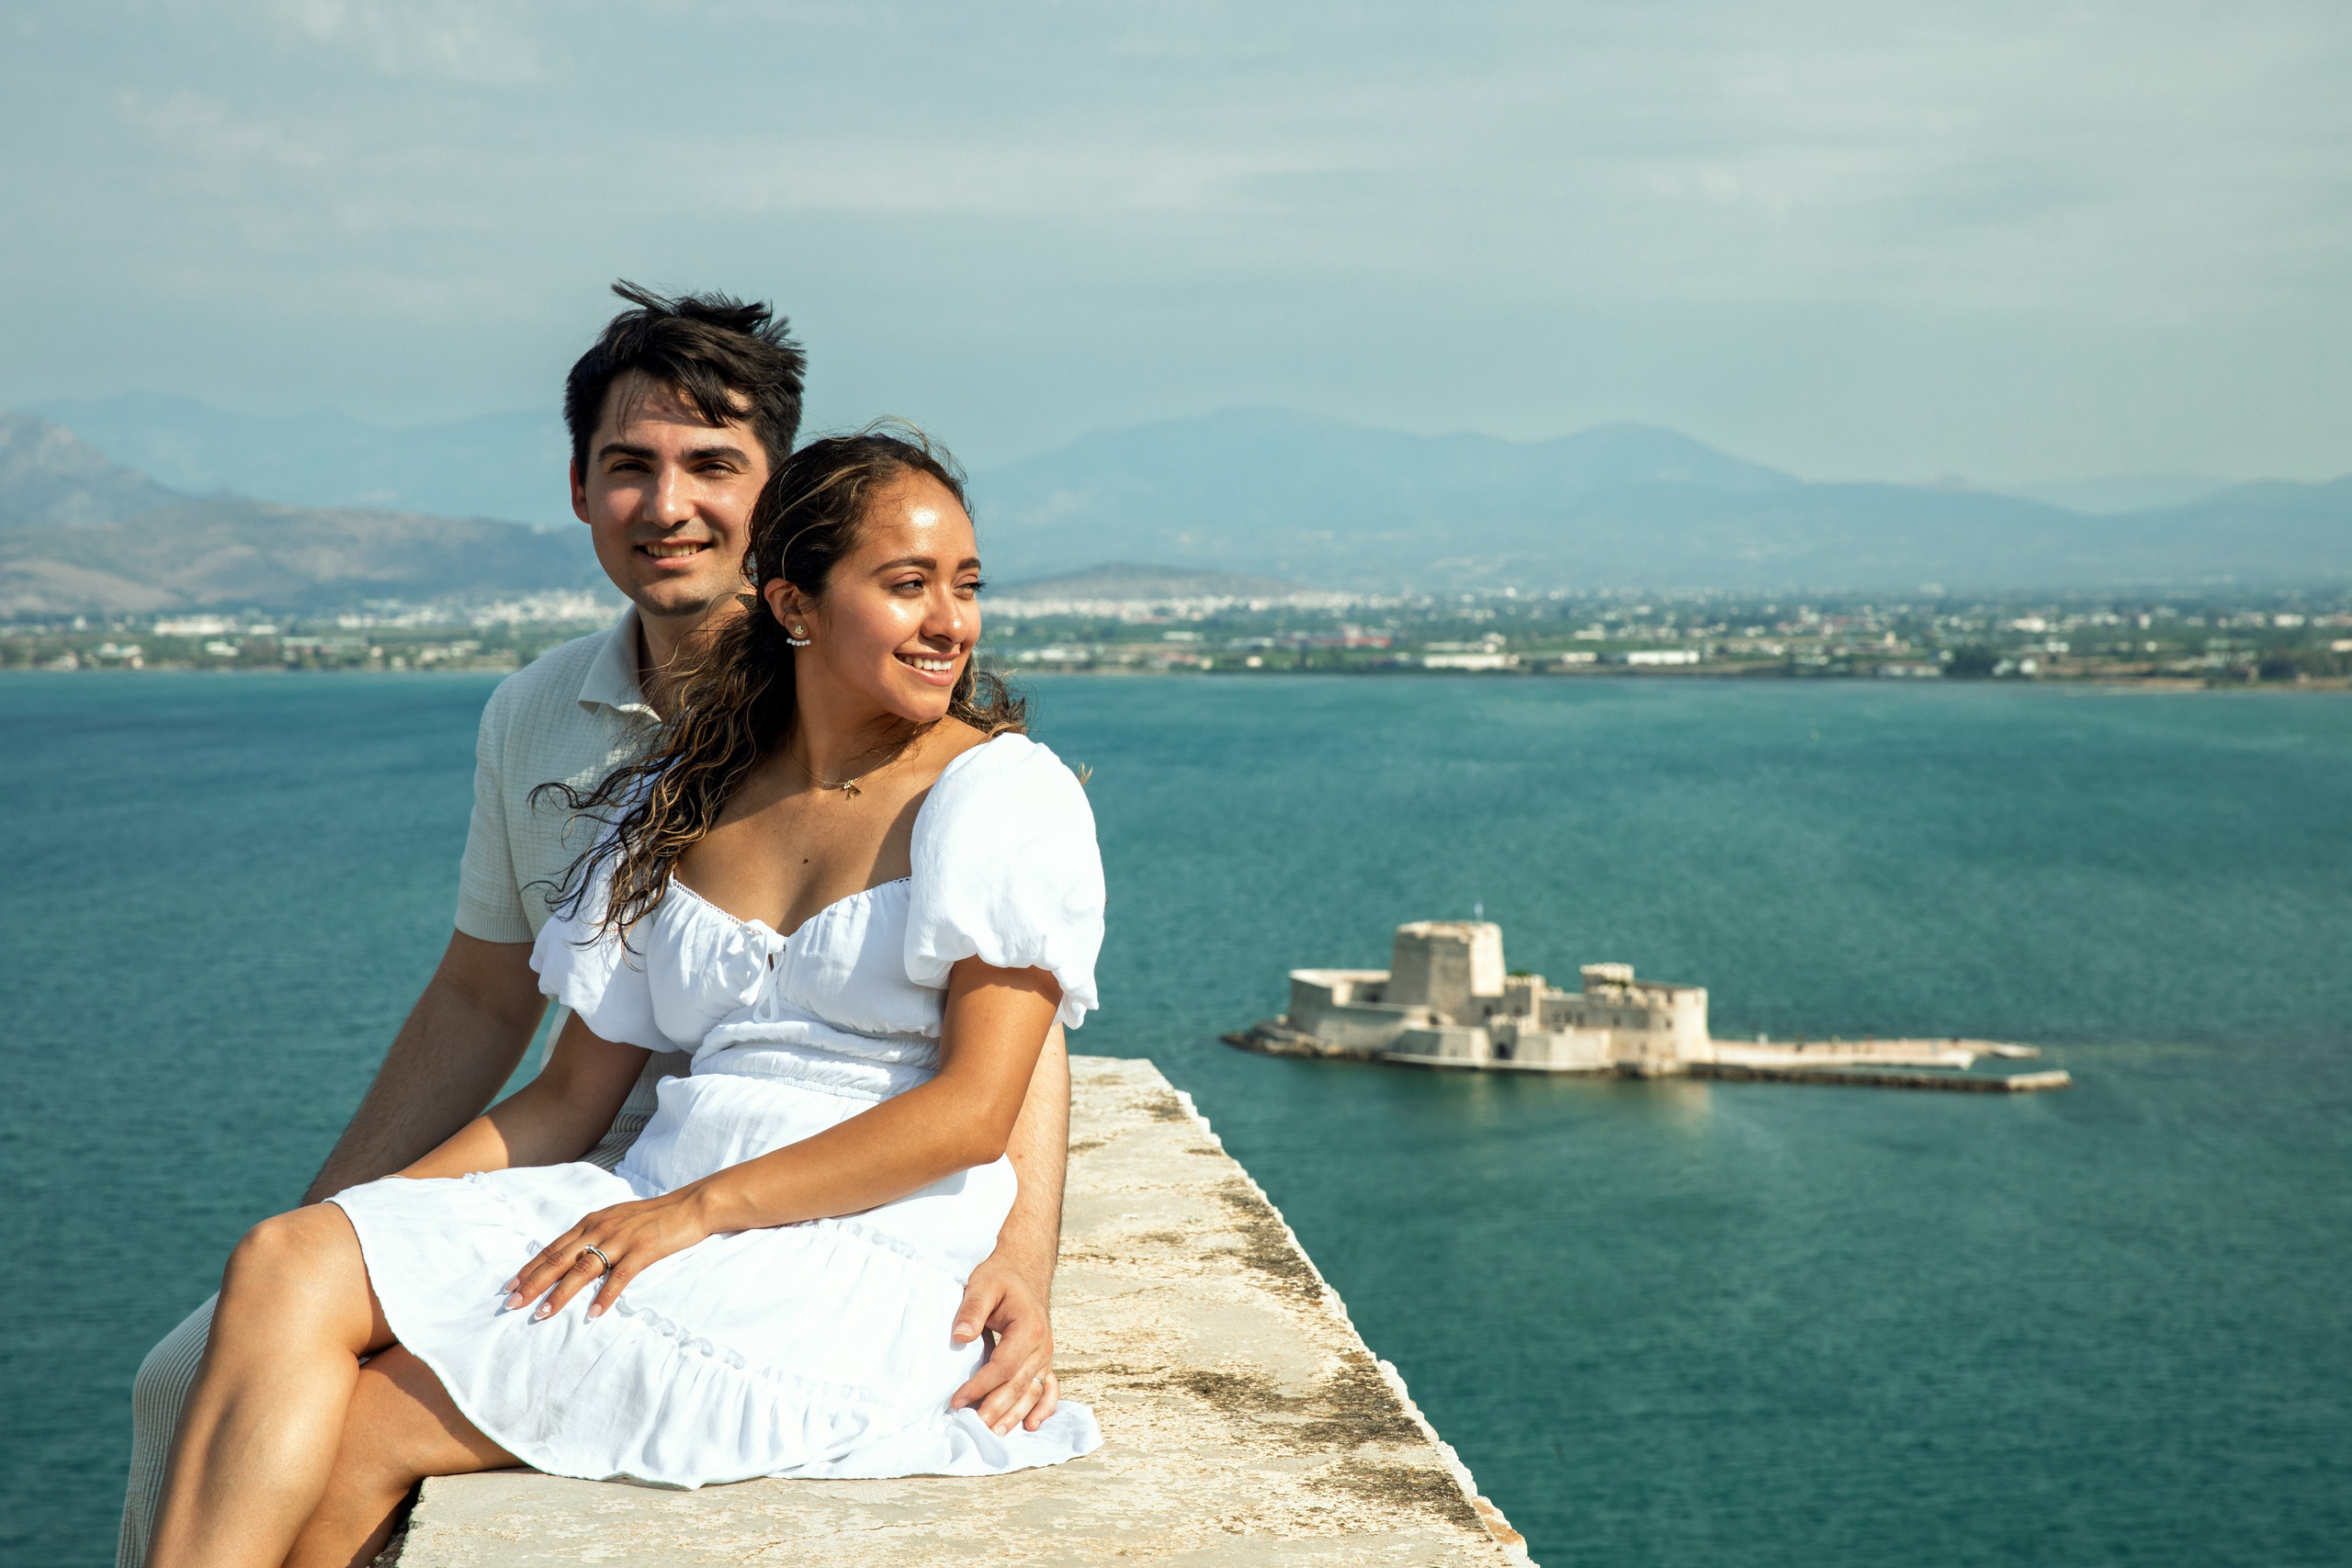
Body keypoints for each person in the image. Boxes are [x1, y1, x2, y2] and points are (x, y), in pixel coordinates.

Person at [117, 288, 1074, 1566]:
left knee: (346, 1419)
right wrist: (358, 1223)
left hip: (769, 1226)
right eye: (632, 467)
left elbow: (1012, 1051)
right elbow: (492, 1008)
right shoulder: (594, 746)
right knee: (228, 1327)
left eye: (714, 467)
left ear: (776, 514)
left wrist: (1026, 1263)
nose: (669, 505)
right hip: (608, 1186)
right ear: (580, 489)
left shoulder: (983, 786)